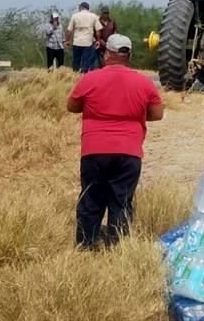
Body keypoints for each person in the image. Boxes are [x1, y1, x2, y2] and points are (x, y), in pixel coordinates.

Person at [67, 34, 164, 249]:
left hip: (94, 151)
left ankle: (86, 246)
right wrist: (132, 115)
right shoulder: (144, 83)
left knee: (91, 199)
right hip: (129, 152)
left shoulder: (90, 79)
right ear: (128, 55)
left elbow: (72, 106)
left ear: (107, 54)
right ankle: (117, 248)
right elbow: (157, 114)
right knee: (121, 202)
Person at [66, 2, 102, 73]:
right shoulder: (93, 16)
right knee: (86, 61)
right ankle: (84, 76)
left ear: (81, 7)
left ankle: (75, 75)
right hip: (88, 42)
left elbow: (69, 30)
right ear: (88, 8)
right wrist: (98, 41)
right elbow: (98, 30)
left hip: (77, 42)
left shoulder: (75, 16)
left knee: (76, 61)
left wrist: (67, 40)